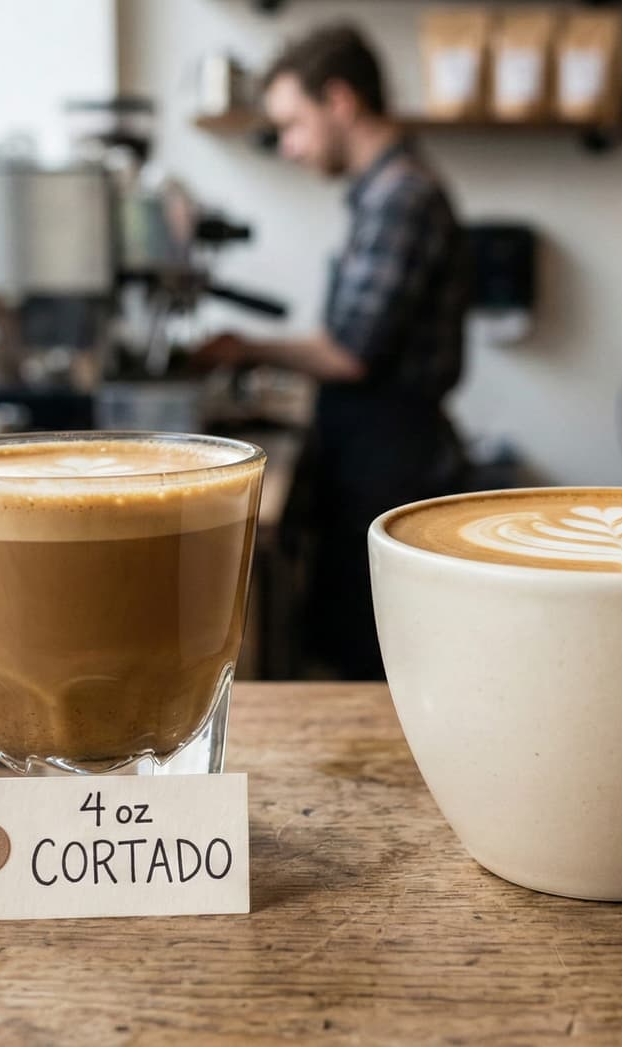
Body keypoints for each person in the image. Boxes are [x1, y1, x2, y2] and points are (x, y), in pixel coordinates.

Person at [194, 24, 470, 679]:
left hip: (391, 455)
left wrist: (245, 349)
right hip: (372, 445)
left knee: (369, 660)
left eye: (293, 123)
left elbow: (350, 353)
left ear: (340, 102)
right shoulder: (383, 192)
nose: (288, 146)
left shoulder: (402, 197)